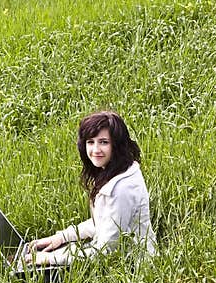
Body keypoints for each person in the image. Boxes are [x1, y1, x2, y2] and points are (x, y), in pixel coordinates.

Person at [22, 110, 157, 268]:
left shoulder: (122, 190)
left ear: (117, 145)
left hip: (130, 268)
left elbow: (105, 251)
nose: (95, 150)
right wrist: (61, 238)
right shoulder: (117, 171)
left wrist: (51, 259)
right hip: (117, 259)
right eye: (90, 142)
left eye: (104, 142)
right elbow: (102, 223)